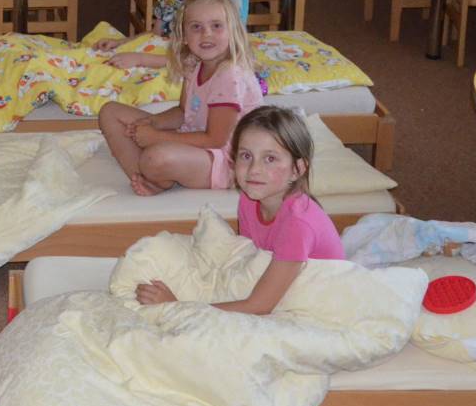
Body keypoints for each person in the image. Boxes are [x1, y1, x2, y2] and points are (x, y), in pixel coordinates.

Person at [135, 106, 343, 314]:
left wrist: (177, 307)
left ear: (297, 169)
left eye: (270, 158)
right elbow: (246, 265)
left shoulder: (297, 224)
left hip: (321, 300)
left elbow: (259, 306)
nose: (254, 169)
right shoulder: (249, 200)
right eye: (246, 156)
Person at [97, 0, 262, 196]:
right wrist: (154, 122)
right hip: (195, 140)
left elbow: (216, 140)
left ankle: (154, 175)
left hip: (228, 161)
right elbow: (184, 112)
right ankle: (148, 177)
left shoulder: (229, 75)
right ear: (184, 36)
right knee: (110, 112)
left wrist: (157, 137)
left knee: (156, 156)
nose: (206, 34)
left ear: (233, 31)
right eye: (196, 27)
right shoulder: (194, 65)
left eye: (217, 26)